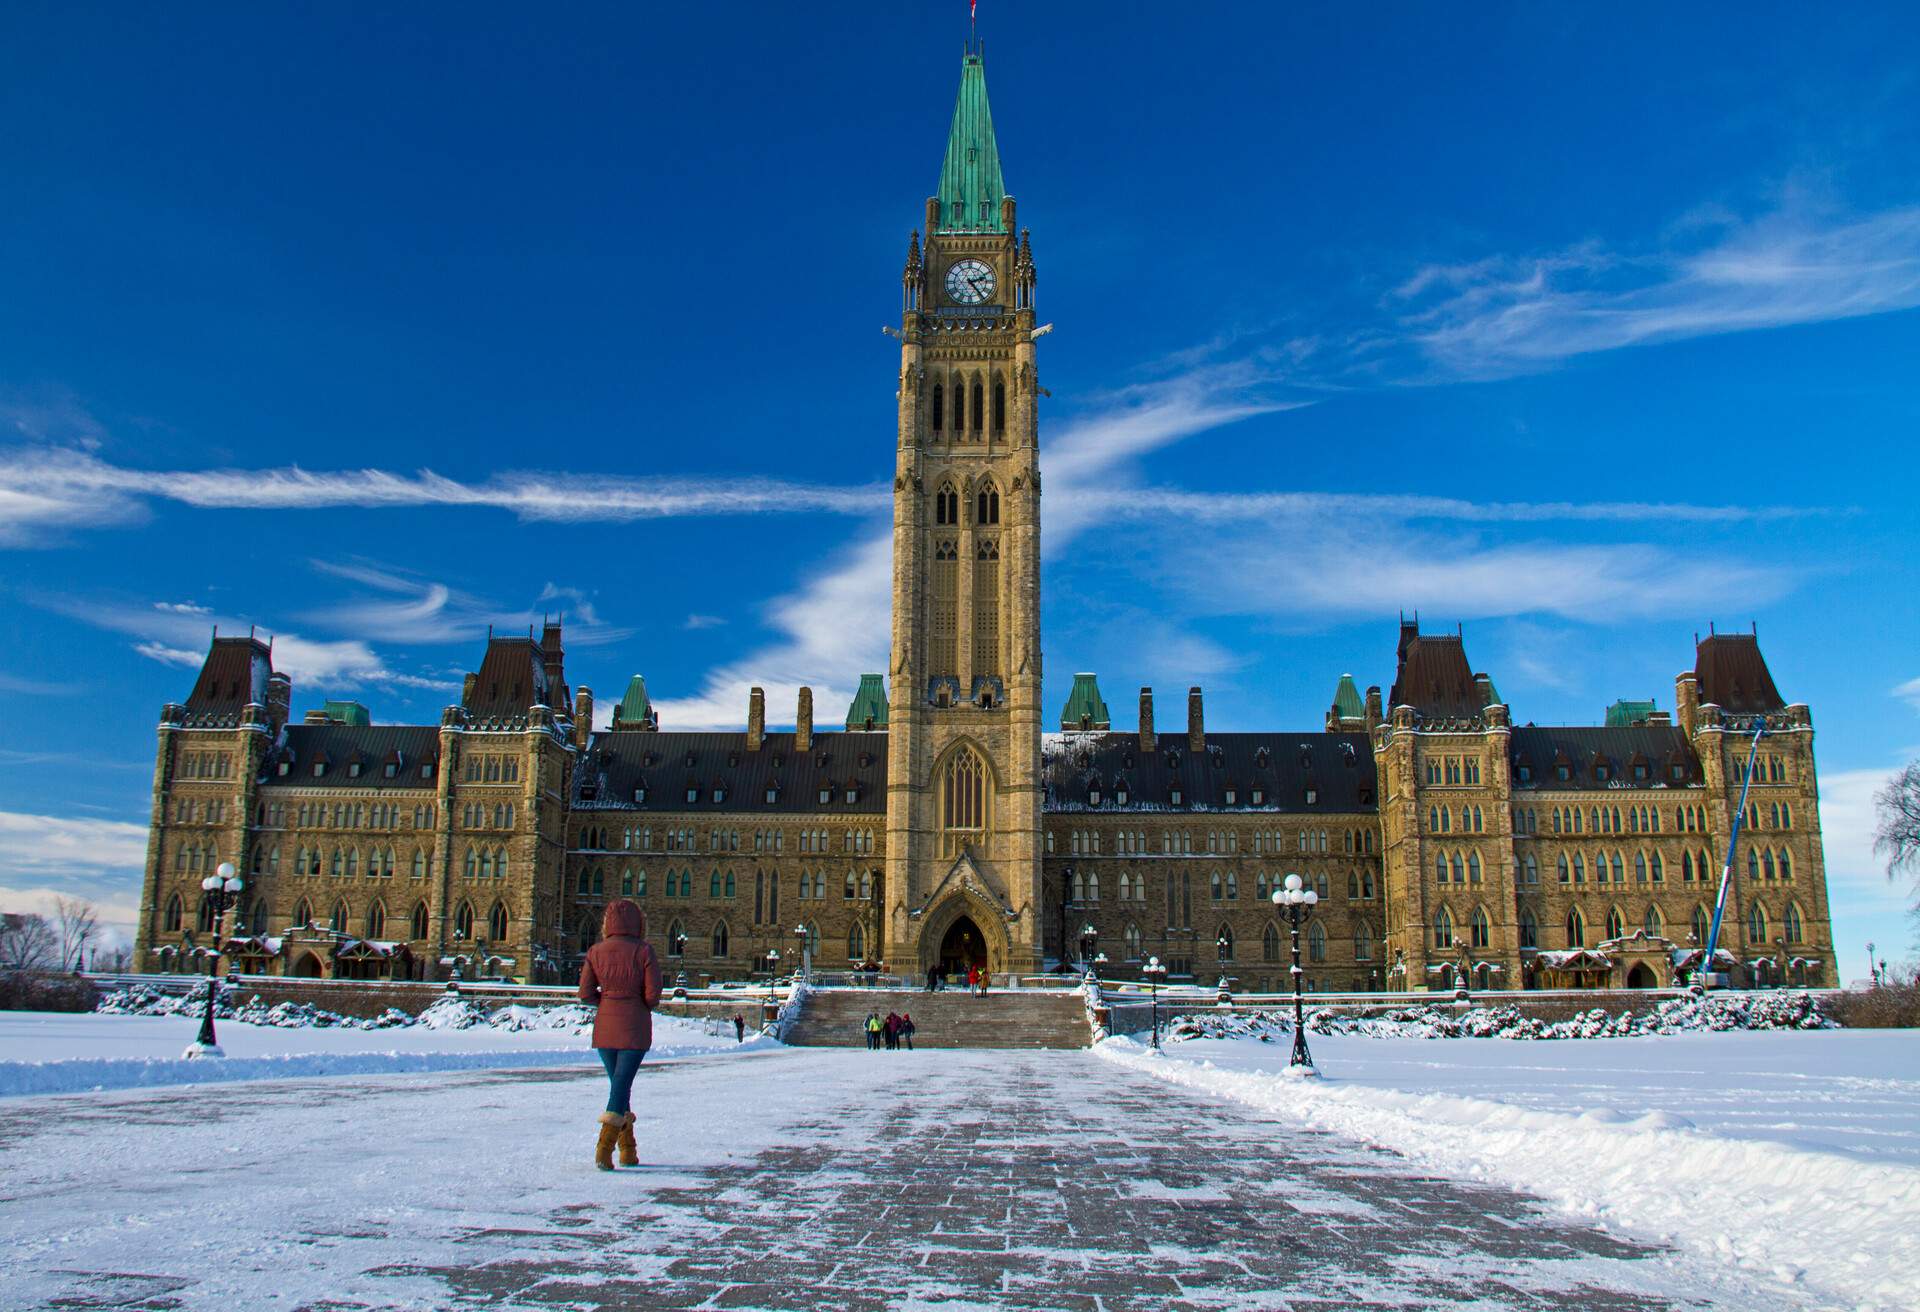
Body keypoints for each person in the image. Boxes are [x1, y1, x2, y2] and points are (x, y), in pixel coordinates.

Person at [577, 899, 662, 1171]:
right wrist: (635, 1001)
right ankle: (604, 1149)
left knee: (619, 1086)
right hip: (634, 1028)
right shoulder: (644, 951)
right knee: (620, 1088)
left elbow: (585, 994)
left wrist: (609, 998)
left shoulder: (595, 951)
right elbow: (652, 996)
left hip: (605, 1029)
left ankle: (628, 1151)